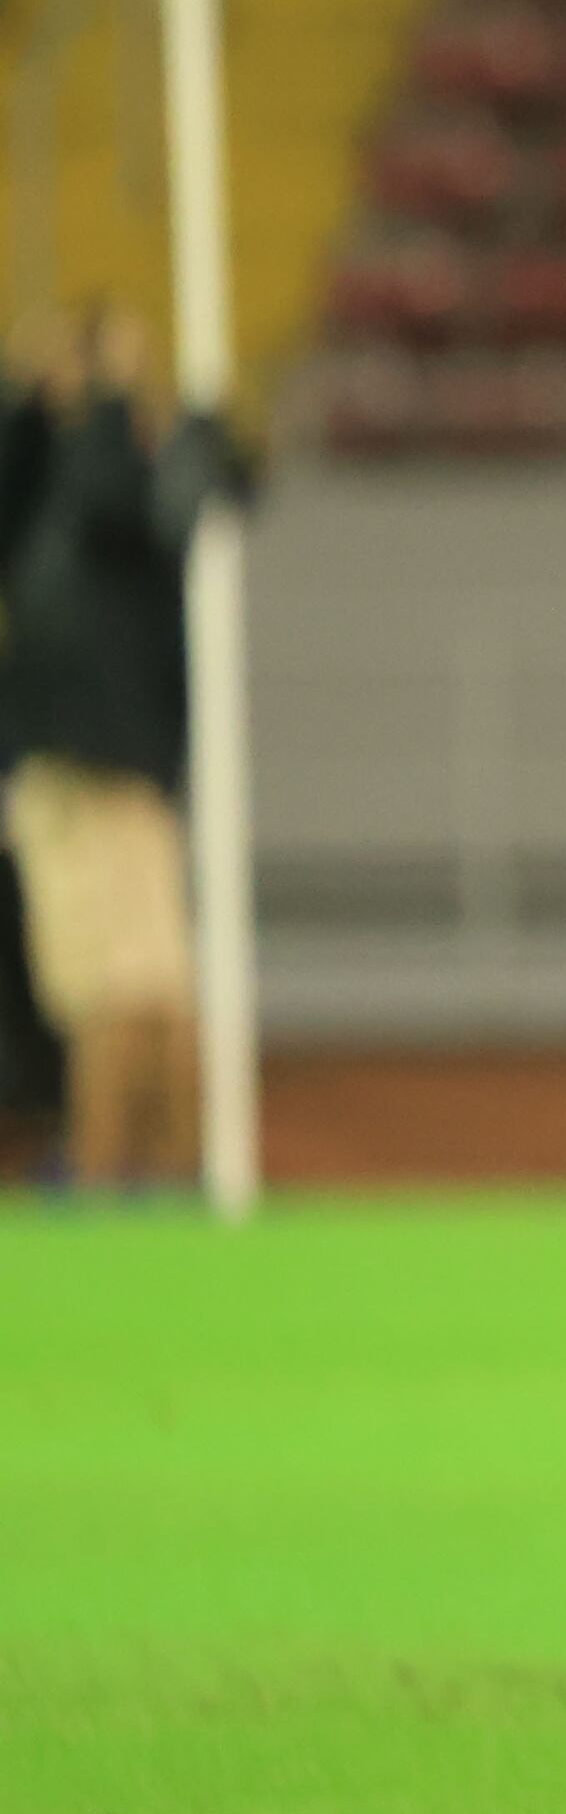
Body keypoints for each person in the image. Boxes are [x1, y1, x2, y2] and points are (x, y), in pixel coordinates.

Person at [0, 304, 240, 1191]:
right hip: (114, 763)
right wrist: (38, 400)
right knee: (149, 981)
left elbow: (98, 491)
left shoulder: (121, 487)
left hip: (90, 766)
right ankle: (169, 1168)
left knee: (115, 987)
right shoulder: (117, 490)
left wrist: (100, 393)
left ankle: (109, 1172)